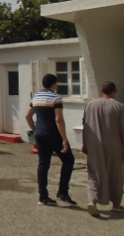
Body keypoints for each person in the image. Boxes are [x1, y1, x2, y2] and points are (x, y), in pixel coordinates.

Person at [25, 73, 76, 207]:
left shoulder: (36, 97)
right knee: (68, 160)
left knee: (43, 163)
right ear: (54, 85)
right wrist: (64, 139)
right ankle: (62, 192)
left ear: (43, 84)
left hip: (41, 134)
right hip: (54, 134)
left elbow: (28, 116)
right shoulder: (56, 98)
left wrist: (35, 130)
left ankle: (43, 195)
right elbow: (58, 119)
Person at [81, 81, 124, 217]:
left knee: (94, 172)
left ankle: (92, 201)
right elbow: (123, 130)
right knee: (115, 174)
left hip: (94, 144)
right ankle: (116, 205)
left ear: (101, 91)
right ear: (115, 91)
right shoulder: (119, 106)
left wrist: (84, 143)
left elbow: (85, 126)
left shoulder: (90, 105)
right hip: (114, 145)